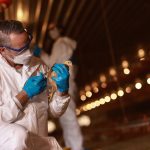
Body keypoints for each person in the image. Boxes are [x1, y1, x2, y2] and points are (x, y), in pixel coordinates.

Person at [0, 20, 70, 150]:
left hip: (40, 143)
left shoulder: (39, 65)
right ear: (3, 50)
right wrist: (24, 95)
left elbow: (54, 112)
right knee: (18, 136)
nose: (28, 52)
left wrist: (62, 91)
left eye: (28, 43)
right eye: (21, 49)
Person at [33, 23, 84, 150]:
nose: (51, 32)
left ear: (60, 30)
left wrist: (41, 53)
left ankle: (77, 147)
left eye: (54, 29)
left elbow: (51, 63)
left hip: (62, 82)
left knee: (69, 118)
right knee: (66, 118)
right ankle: (73, 146)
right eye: (50, 30)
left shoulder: (60, 43)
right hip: (63, 82)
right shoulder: (63, 44)